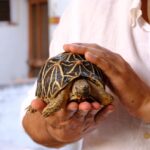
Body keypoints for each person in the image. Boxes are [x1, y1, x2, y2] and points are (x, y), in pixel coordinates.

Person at [22, 0, 150, 149]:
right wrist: (55, 129)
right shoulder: (86, 8)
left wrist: (144, 103)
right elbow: (33, 122)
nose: (82, 91)